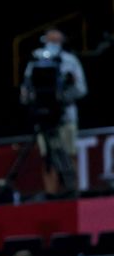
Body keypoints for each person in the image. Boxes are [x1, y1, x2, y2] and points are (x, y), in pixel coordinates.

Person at [21, 28, 88, 196]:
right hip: (43, 117)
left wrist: (61, 97)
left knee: (68, 154)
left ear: (61, 42)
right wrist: (30, 98)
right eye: (49, 40)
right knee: (47, 157)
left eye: (55, 40)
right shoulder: (35, 61)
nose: (52, 44)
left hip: (65, 116)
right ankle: (51, 194)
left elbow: (81, 88)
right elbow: (26, 88)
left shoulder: (70, 61)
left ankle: (72, 192)